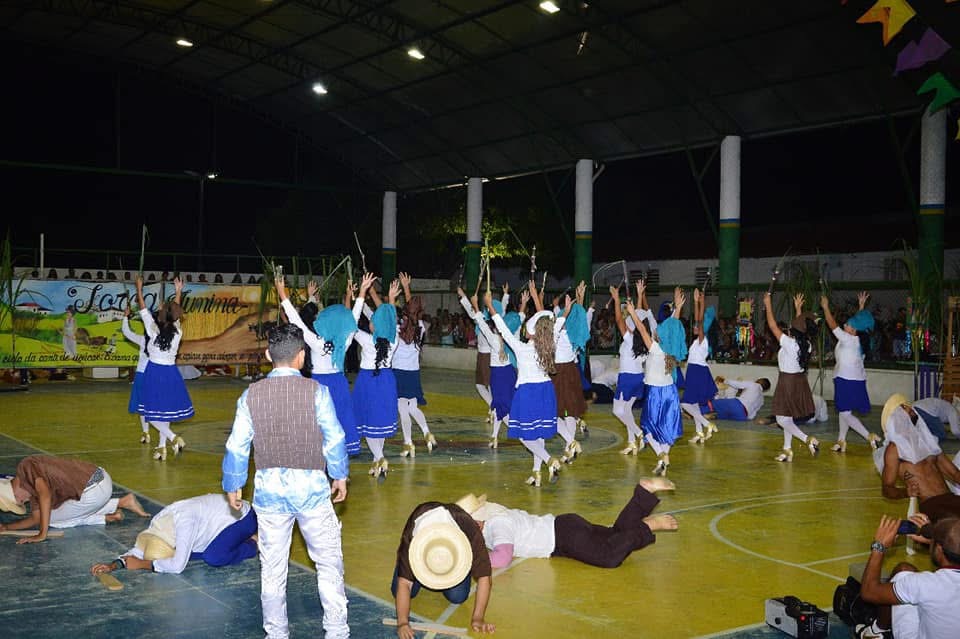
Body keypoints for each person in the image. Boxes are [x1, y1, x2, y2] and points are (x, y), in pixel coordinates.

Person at [222, 322, 350, 639]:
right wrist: (339, 474)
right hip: (312, 491)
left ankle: (276, 633)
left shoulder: (250, 395)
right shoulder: (318, 392)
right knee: (328, 565)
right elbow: (334, 438)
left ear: (268, 355)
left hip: (269, 494)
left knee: (272, 570)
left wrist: (233, 483)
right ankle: (336, 632)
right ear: (302, 356)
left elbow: (237, 445)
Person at [461, 478, 677, 571]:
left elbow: (503, 557)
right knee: (615, 535)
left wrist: (469, 561)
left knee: (609, 557)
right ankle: (644, 493)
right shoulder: (497, 518)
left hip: (564, 538)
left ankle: (648, 526)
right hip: (564, 526)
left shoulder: (497, 524)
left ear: (477, 521)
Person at [486, 283, 562, 487]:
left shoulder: (521, 348)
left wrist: (490, 307)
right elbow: (549, 320)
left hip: (528, 392)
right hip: (546, 391)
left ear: (532, 331)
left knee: (523, 435)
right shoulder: (550, 343)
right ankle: (536, 473)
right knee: (538, 433)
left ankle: (549, 460)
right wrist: (537, 299)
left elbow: (502, 329)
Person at [277, 277, 361, 456]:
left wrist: (282, 294)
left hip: (319, 385)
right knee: (340, 419)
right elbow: (352, 318)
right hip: (339, 383)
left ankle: (319, 456)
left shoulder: (317, 343)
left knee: (318, 422)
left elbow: (296, 321)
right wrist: (357, 296)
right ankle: (338, 456)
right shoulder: (344, 341)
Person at [392, 500, 494, 638]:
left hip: (453, 558)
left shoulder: (469, 528)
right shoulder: (413, 531)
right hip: (421, 556)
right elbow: (404, 583)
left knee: (458, 597)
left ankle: (442, 571)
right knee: (398, 590)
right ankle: (411, 568)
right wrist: (402, 623)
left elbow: (484, 577)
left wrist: (478, 618)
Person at [90, 493, 257, 576]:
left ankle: (253, 543)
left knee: (213, 557)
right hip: (215, 523)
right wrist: (114, 565)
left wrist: (143, 564)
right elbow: (140, 549)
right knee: (182, 554)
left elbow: (177, 567)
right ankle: (237, 541)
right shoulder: (159, 523)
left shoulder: (185, 523)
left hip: (243, 518)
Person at [0, 455, 148, 543]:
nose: (25, 501)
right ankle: (121, 503)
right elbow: (36, 518)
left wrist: (42, 534)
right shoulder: (32, 487)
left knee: (52, 519)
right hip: (100, 481)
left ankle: (108, 514)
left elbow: (45, 496)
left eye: (21, 501)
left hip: (93, 491)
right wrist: (7, 527)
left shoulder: (26, 467)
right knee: (48, 514)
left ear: (14, 492)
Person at [858, 514, 960, 639]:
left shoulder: (925, 584)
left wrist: (879, 546)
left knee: (903, 571)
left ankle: (876, 632)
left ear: (939, 549)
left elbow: (869, 592)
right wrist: (933, 538)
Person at [627, 282, 684, 476]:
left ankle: (661, 454)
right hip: (670, 391)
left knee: (647, 427)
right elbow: (673, 327)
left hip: (655, 392)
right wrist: (678, 308)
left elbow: (642, 330)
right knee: (666, 428)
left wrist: (632, 313)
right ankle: (663, 460)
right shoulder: (670, 349)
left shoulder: (655, 348)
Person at [877, 394, 960, 523]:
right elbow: (887, 489)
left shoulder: (928, 441)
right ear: (896, 417)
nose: (910, 408)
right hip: (931, 505)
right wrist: (906, 492)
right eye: (903, 408)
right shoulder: (894, 449)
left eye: (908, 406)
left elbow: (954, 474)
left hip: (950, 498)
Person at [462, 286, 528, 449]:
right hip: (509, 372)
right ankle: (494, 436)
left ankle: (521, 434)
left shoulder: (493, 339)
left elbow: (481, 323)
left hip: (498, 375)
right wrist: (524, 304)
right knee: (502, 406)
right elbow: (520, 317)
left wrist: (476, 305)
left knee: (501, 407)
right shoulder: (508, 336)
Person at [135, 276, 192, 461]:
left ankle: (173, 438)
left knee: (150, 413)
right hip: (171, 373)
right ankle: (161, 448)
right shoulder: (178, 331)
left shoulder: (153, 330)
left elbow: (143, 309)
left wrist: (139, 289)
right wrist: (178, 291)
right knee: (164, 411)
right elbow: (174, 313)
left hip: (154, 372)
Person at [351, 274, 401, 478]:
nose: (369, 320)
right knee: (379, 423)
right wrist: (391, 300)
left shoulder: (366, 340)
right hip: (387, 380)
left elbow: (351, 323)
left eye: (372, 319)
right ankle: (376, 460)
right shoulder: (394, 339)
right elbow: (391, 320)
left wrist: (359, 295)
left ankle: (380, 457)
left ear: (375, 325)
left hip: (368, 381)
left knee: (368, 424)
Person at [820, 293, 882, 453]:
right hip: (855, 380)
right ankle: (841, 441)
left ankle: (869, 436)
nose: (844, 325)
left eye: (847, 324)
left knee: (846, 413)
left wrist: (825, 307)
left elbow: (832, 324)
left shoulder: (847, 339)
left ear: (853, 330)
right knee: (844, 411)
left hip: (846, 380)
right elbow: (858, 324)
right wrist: (861, 307)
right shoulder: (857, 339)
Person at [763, 292, 820, 462]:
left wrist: (768, 304)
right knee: (787, 418)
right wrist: (798, 310)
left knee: (781, 419)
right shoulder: (806, 345)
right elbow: (800, 327)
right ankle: (787, 450)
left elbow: (772, 325)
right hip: (799, 382)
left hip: (787, 382)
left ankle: (807, 439)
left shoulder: (789, 343)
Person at [608, 284, 658, 455]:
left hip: (627, 378)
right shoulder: (647, 341)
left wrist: (616, 300)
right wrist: (639, 294)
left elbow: (618, 320)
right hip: (639, 378)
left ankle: (638, 433)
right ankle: (631, 443)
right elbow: (638, 318)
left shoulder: (630, 339)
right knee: (626, 410)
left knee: (617, 411)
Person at [394, 272, 436, 458]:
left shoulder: (399, 328)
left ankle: (408, 443)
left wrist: (404, 289)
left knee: (403, 410)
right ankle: (427, 432)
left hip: (399, 372)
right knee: (412, 408)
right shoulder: (422, 328)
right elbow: (412, 311)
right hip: (413, 373)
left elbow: (409, 311)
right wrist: (407, 289)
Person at [550, 281, 592, 462]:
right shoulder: (575, 333)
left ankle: (571, 442)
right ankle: (569, 447)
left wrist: (574, 302)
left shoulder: (560, 332)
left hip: (559, 373)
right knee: (569, 412)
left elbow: (567, 318)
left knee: (553, 413)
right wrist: (580, 299)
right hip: (571, 370)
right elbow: (579, 318)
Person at [683, 289, 719, 444]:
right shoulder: (696, 341)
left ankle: (706, 424)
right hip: (694, 371)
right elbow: (698, 320)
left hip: (697, 371)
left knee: (685, 403)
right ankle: (699, 432)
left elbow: (699, 319)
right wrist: (697, 302)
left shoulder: (702, 340)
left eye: (697, 326)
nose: (695, 327)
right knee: (694, 404)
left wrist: (699, 302)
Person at [120, 305, 152, 445]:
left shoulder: (144, 340)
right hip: (155, 375)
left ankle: (146, 432)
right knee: (156, 406)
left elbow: (126, 332)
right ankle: (160, 438)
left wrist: (125, 317)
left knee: (142, 406)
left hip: (142, 375)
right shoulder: (159, 339)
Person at [701, 377, 770, 422]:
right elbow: (752, 415)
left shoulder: (754, 384)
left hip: (737, 405)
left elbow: (737, 384)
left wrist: (724, 380)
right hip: (742, 417)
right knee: (721, 413)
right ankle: (712, 415)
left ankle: (698, 412)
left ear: (759, 381)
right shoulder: (762, 400)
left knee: (713, 403)